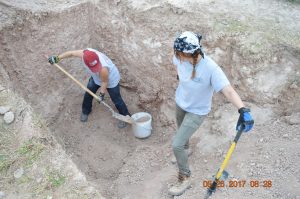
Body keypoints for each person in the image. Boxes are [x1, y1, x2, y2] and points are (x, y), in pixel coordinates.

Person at [168, 31, 254, 196]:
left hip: (197, 111)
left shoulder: (210, 68)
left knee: (176, 144)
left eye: (179, 54)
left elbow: (228, 90)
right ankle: (185, 151)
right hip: (181, 103)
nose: (176, 56)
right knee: (181, 135)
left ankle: (185, 178)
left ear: (189, 53)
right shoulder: (179, 58)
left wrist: (243, 110)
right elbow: (177, 68)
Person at [48, 48, 131, 128]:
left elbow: (105, 82)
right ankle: (86, 111)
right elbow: (71, 53)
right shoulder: (85, 54)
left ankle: (126, 116)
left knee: (116, 99)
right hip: (96, 78)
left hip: (111, 79)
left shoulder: (104, 69)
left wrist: (101, 94)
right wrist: (57, 58)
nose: (96, 69)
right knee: (89, 93)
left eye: (96, 66)